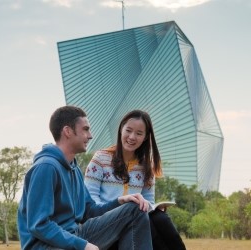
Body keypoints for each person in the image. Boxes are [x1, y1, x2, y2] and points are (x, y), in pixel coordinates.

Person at [17, 105, 152, 250]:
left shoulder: (73, 168)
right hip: (45, 246)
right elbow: (39, 225)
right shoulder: (46, 167)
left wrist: (119, 201)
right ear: (68, 131)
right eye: (86, 129)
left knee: (134, 209)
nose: (90, 135)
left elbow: (89, 211)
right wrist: (82, 245)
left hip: (75, 235)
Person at [84, 109, 186, 250]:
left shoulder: (146, 166)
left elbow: (148, 201)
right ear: (121, 130)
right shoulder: (101, 159)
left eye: (139, 133)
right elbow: (90, 201)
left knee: (160, 218)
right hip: (104, 223)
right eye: (129, 130)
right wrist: (119, 209)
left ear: (145, 137)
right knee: (146, 221)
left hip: (135, 219)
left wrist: (153, 207)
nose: (132, 137)